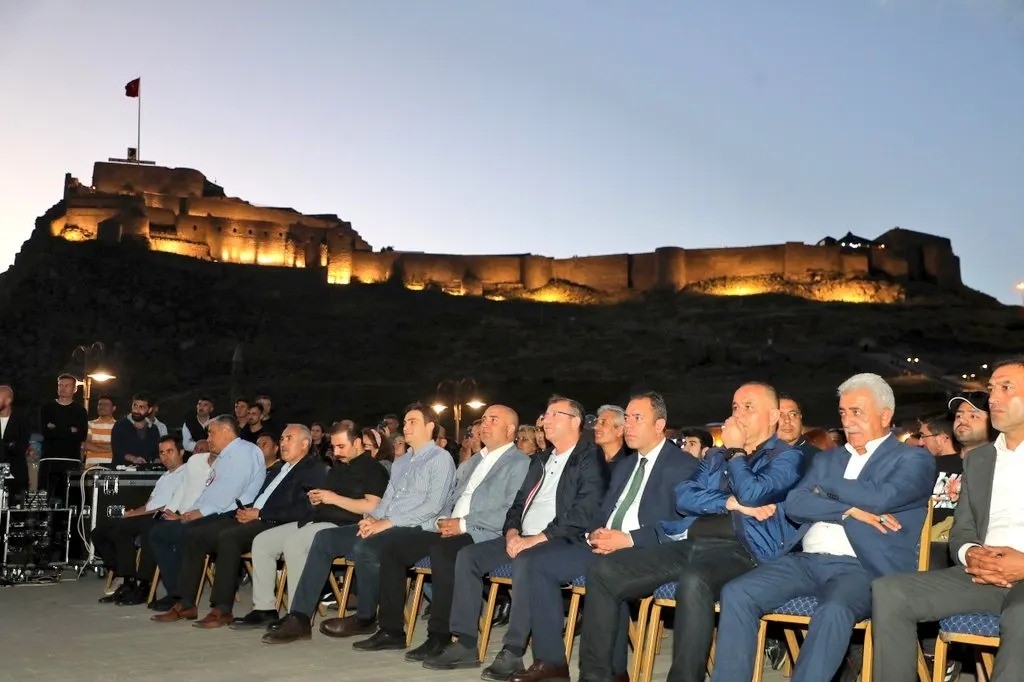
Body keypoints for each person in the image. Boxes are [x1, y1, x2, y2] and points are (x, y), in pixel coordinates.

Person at [711, 373, 934, 682]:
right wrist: (846, 511)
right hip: (806, 561)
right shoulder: (831, 458)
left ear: (885, 415)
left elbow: (883, 497)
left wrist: (826, 487)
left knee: (833, 611)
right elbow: (796, 503)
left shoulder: (914, 459)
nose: (848, 421)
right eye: (843, 412)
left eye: (857, 412)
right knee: (737, 592)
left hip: (864, 566)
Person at [577, 382, 804, 682]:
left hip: (745, 551)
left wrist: (735, 454)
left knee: (694, 580)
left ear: (774, 415)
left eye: (749, 407)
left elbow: (754, 493)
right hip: (691, 541)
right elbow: (684, 497)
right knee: (603, 572)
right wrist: (728, 502)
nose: (738, 414)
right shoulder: (715, 458)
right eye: (735, 407)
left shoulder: (786, 457)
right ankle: (595, 678)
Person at [508, 392, 700, 682]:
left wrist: (630, 539)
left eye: (638, 418)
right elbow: (601, 511)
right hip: (605, 543)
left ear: (660, 425)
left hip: (647, 548)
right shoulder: (625, 465)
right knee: (535, 562)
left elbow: (682, 524)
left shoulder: (682, 465)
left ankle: (608, 673)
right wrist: (593, 533)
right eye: (628, 418)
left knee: (607, 573)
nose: (629, 425)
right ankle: (551, 663)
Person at [424, 395, 608, 679]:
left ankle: (512, 651)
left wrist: (537, 539)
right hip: (524, 537)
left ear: (576, 421)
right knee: (468, 556)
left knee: (527, 560)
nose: (545, 420)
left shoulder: (590, 457)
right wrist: (511, 531)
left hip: (564, 540)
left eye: (554, 414)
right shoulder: (542, 459)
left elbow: (582, 513)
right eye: (545, 415)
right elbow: (518, 503)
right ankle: (466, 643)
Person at [872, 357, 1024, 681]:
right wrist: (970, 552)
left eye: (1006, 388)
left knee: (1020, 616)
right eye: (992, 389)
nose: (994, 397)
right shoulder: (980, 460)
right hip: (982, 573)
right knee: (889, 591)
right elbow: (962, 529)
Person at [263, 403, 456, 644]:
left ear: (430, 427)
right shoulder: (402, 462)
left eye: (412, 422)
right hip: (388, 523)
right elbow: (387, 499)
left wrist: (386, 522)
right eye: (405, 422)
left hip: (419, 529)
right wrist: (371, 519)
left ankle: (365, 618)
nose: (405, 426)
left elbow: (433, 506)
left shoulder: (441, 458)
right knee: (324, 539)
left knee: (365, 547)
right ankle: (300, 618)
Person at [353, 405, 530, 657]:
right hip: (448, 527)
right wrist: (443, 519)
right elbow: (448, 500)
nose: (485, 424)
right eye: (484, 419)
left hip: (482, 531)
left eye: (493, 419)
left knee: (443, 551)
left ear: (510, 429)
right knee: (393, 551)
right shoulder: (473, 462)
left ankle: (440, 635)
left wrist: (463, 524)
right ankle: (391, 630)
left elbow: (510, 509)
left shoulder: (519, 462)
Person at [153, 424, 327, 627]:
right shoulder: (279, 468)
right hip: (253, 516)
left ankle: (222, 608)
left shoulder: (313, 469)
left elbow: (304, 509)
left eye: (289, 438)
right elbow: (261, 496)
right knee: (195, 534)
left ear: (305, 444)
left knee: (229, 537)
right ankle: (185, 603)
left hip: (275, 523)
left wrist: (260, 514)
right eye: (281, 438)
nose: (283, 443)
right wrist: (249, 510)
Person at [232, 421, 389, 629]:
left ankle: (297, 615)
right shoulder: (340, 467)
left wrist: (332, 498)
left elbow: (372, 506)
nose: (336, 452)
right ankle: (264, 609)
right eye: (333, 447)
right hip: (316, 519)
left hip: (342, 525)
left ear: (357, 442)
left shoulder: (373, 469)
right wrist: (319, 498)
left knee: (296, 544)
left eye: (341, 446)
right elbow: (328, 496)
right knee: (263, 542)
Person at [147, 416, 265, 617]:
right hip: (215, 511)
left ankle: (185, 599)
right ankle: (182, 598)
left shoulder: (244, 452)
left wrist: (196, 514)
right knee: (161, 531)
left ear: (227, 431)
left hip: (233, 514)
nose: (208, 438)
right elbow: (208, 492)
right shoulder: (223, 457)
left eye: (212, 433)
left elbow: (229, 492)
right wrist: (189, 512)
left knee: (187, 533)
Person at [93, 435, 187, 604]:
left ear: (181, 452)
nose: (165, 456)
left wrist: (139, 515)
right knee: (100, 532)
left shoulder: (187, 473)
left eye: (170, 451)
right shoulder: (164, 477)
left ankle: (143, 585)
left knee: (143, 527)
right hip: (149, 513)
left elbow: (168, 506)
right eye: (162, 452)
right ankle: (125, 578)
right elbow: (148, 505)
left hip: (167, 515)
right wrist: (133, 513)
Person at [919, 414, 962, 568]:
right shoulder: (970, 464)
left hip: (934, 541)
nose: (920, 442)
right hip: (953, 542)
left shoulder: (925, 466)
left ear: (943, 438)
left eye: (924, 436)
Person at [39, 373, 88, 495]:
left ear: (75, 389)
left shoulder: (80, 411)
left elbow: (81, 435)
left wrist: (56, 428)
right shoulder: (47, 408)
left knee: (69, 497)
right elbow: (45, 432)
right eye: (60, 385)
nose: (63, 388)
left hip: (71, 460)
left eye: (67, 385)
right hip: (49, 459)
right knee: (45, 496)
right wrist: (70, 430)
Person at [0, 384, 32, 500]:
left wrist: (8, 445)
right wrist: (8, 444)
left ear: (8, 401)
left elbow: (21, 446)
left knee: (15, 507)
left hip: (15, 474)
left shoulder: (22, 420)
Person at [110, 394, 160, 466]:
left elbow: (156, 453)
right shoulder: (120, 425)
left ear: (150, 410)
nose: (137, 410)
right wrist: (134, 459)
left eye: (141, 407)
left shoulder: (153, 429)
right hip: (122, 472)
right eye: (135, 406)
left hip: (146, 473)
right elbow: (117, 450)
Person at [777, 394, 821, 464]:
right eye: (780, 415)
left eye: (793, 414)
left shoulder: (819, 460)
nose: (787, 420)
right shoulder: (759, 458)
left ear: (800, 418)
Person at [949, 391, 995, 456]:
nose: (962, 420)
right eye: (958, 416)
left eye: (973, 416)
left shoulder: (1001, 464)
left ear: (992, 422)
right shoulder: (937, 464)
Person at [83, 395, 116, 467]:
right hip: (90, 468)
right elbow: (86, 445)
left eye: (106, 404)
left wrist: (95, 446)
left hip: (110, 468)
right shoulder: (89, 424)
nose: (102, 407)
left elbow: (117, 446)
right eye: (100, 404)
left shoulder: (118, 426)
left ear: (113, 408)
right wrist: (109, 447)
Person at [592, 404, 628, 469]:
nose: (596, 427)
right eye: (596, 423)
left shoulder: (630, 464)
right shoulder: (589, 460)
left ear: (620, 430)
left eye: (603, 422)